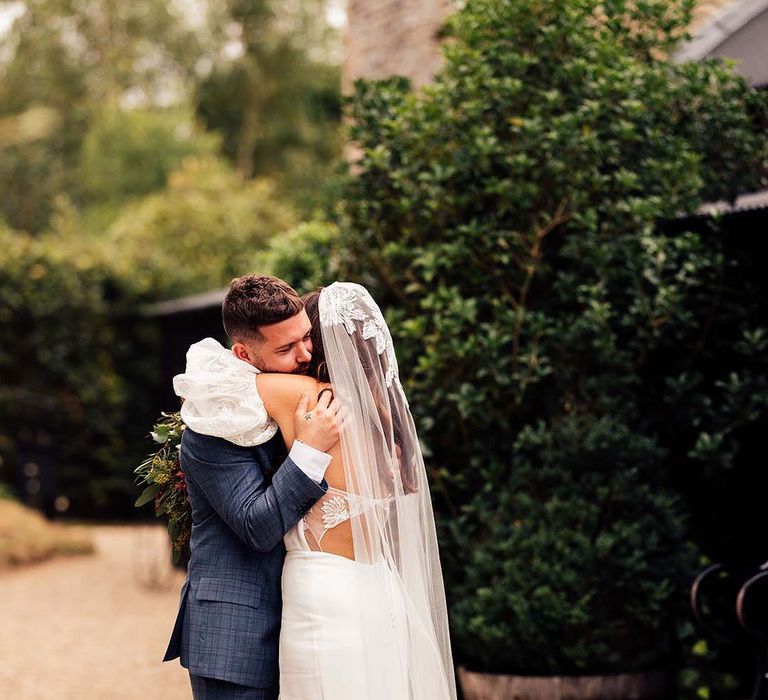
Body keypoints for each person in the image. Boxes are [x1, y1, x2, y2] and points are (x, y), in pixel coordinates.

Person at [255, 282, 457, 699]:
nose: (301, 352)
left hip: (324, 598)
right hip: (381, 592)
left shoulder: (307, 397)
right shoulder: (388, 427)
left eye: (306, 339)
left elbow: (218, 379)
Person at [163, 275, 341, 700]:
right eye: (285, 349)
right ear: (244, 354)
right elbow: (256, 526)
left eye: (306, 338)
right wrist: (310, 453)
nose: (304, 355)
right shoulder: (210, 427)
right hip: (236, 636)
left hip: (303, 626)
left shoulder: (286, 395)